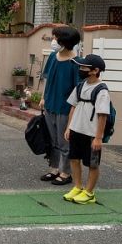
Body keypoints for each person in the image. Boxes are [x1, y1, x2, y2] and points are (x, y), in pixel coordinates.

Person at [37, 25, 82, 186]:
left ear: (65, 41)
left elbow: (78, 90)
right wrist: (43, 98)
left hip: (65, 108)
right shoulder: (53, 57)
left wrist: (73, 110)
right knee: (52, 139)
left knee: (64, 141)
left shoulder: (76, 62)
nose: (53, 41)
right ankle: (54, 168)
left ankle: (66, 172)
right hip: (50, 104)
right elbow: (47, 79)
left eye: (56, 38)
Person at [63, 54, 110, 205]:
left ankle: (89, 193)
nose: (80, 69)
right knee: (74, 159)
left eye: (84, 67)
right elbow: (73, 107)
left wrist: (98, 137)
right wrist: (69, 127)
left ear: (95, 70)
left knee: (92, 163)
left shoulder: (101, 90)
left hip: (91, 134)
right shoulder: (80, 85)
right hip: (77, 130)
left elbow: (102, 115)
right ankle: (78, 187)